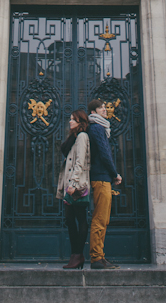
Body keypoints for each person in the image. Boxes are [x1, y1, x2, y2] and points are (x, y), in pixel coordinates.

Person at [87, 98, 123, 269]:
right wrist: (114, 173)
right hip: (101, 178)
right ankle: (96, 257)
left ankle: (100, 255)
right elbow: (104, 153)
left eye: (104, 107)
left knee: (103, 218)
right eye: (101, 107)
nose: (105, 109)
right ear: (93, 112)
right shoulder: (96, 128)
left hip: (103, 177)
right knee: (100, 219)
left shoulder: (100, 128)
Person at [57, 108, 91, 269]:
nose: (70, 121)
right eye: (70, 119)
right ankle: (75, 255)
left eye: (73, 119)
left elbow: (80, 162)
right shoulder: (74, 138)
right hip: (69, 185)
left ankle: (77, 255)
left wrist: (73, 183)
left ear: (80, 122)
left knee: (79, 218)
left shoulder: (82, 137)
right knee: (70, 220)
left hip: (76, 186)